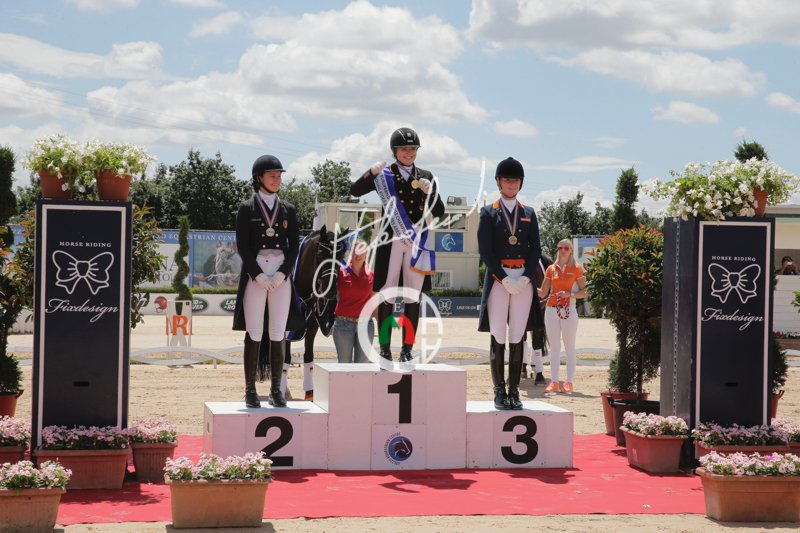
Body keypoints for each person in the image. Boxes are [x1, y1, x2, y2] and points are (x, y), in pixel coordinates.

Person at [349, 127, 445, 362]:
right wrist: (370, 173)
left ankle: (407, 349)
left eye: (413, 149)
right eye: (404, 149)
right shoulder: (384, 175)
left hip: (416, 240)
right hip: (391, 240)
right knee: (387, 295)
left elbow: (440, 212)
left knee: (413, 297)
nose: (409, 153)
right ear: (394, 151)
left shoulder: (426, 175)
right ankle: (384, 347)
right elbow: (355, 190)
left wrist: (430, 193)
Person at [232, 154, 304, 408]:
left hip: (281, 271)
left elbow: (294, 245)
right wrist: (258, 274)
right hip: (257, 271)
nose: (277, 180)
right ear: (259, 178)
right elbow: (242, 245)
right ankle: (250, 389)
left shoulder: (288, 209)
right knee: (254, 330)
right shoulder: (247, 208)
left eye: (279, 176)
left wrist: (284, 272)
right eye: (272, 176)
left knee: (277, 331)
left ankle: (276, 390)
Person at [477, 157, 543, 410]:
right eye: (507, 180)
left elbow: (535, 249)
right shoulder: (488, 212)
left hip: (523, 279)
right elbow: (485, 250)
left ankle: (514, 389)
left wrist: (526, 277)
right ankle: (498, 390)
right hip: (499, 279)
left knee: (517, 335)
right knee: (498, 333)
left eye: (515, 180)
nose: (511, 184)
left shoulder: (529, 213)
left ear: (521, 183)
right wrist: (503, 278)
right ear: (498, 182)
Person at [538, 239, 587, 393]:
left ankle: (569, 382)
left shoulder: (577, 269)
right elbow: (543, 293)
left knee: (569, 346)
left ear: (571, 250)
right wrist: (528, 284)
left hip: (569, 310)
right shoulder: (551, 269)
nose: (563, 250)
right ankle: (554, 381)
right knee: (554, 347)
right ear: (558, 249)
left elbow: (584, 292)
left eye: (566, 248)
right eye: (561, 247)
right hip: (551, 310)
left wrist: (569, 294)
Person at [332, 239, 375, 363]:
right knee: (344, 366)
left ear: (366, 253)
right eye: (355, 251)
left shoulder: (371, 275)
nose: (358, 254)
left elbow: (374, 303)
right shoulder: (340, 273)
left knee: (362, 367)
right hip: (343, 325)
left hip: (366, 326)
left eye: (362, 251)